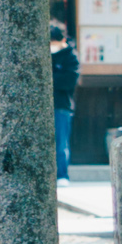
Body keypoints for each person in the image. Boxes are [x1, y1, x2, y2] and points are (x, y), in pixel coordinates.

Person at [50, 14, 79, 177]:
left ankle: (62, 175)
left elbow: (70, 80)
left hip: (62, 105)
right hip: (47, 107)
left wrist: (49, 79)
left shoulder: (70, 55)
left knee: (60, 144)